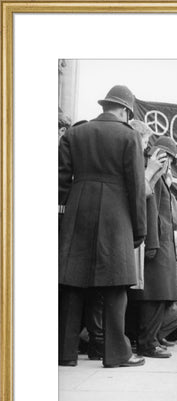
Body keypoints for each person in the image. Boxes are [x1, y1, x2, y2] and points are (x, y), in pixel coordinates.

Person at [58, 84, 146, 368]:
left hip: (77, 211)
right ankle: (117, 354)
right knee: (115, 286)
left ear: (105, 105)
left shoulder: (74, 133)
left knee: (72, 284)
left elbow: (60, 181)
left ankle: (65, 352)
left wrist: (64, 214)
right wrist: (139, 228)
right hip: (115, 215)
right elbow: (135, 186)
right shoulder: (129, 137)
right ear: (125, 110)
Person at [130, 135, 177, 359]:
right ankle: (147, 344)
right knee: (154, 295)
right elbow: (149, 211)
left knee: (159, 295)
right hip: (157, 244)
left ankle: (151, 339)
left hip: (162, 243)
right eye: (169, 157)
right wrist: (151, 243)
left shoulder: (160, 179)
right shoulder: (153, 177)